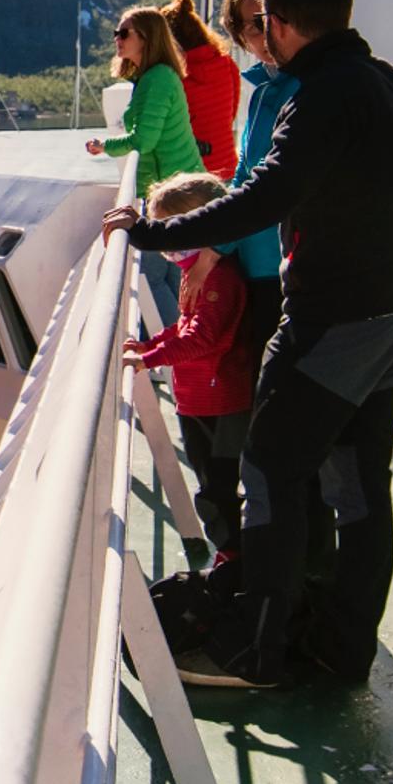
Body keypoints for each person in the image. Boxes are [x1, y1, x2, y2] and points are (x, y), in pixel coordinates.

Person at [102, 0, 393, 690]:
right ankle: (341, 649)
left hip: (330, 319)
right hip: (390, 315)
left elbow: (265, 195)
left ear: (280, 25)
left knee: (268, 469)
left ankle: (256, 651)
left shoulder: (317, 97)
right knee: (357, 493)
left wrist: (149, 231)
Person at [122, 172, 255, 562]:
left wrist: (148, 359)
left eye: (169, 230)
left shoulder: (216, 279)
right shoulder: (194, 272)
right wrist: (149, 345)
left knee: (218, 487)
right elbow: (183, 326)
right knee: (210, 482)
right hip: (198, 398)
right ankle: (230, 552)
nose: (165, 246)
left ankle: (232, 557)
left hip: (218, 401)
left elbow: (202, 337)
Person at [86, 6, 203, 316]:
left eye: (124, 33)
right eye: (116, 33)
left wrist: (105, 145)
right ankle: (181, 347)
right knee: (169, 272)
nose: (117, 39)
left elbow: (143, 140)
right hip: (172, 189)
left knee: (151, 276)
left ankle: (173, 347)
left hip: (171, 193)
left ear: (146, 38)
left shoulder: (156, 79)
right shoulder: (152, 77)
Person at [215, 0, 298, 360]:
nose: (262, 36)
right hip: (255, 258)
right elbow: (244, 169)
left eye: (266, 21)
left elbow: (262, 182)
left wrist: (214, 248)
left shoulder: (298, 89)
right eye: (250, 27)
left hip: (278, 264)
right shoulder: (265, 89)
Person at [164, 0, 240, 180]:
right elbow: (231, 113)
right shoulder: (227, 64)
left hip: (189, 170)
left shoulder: (174, 75)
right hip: (226, 166)